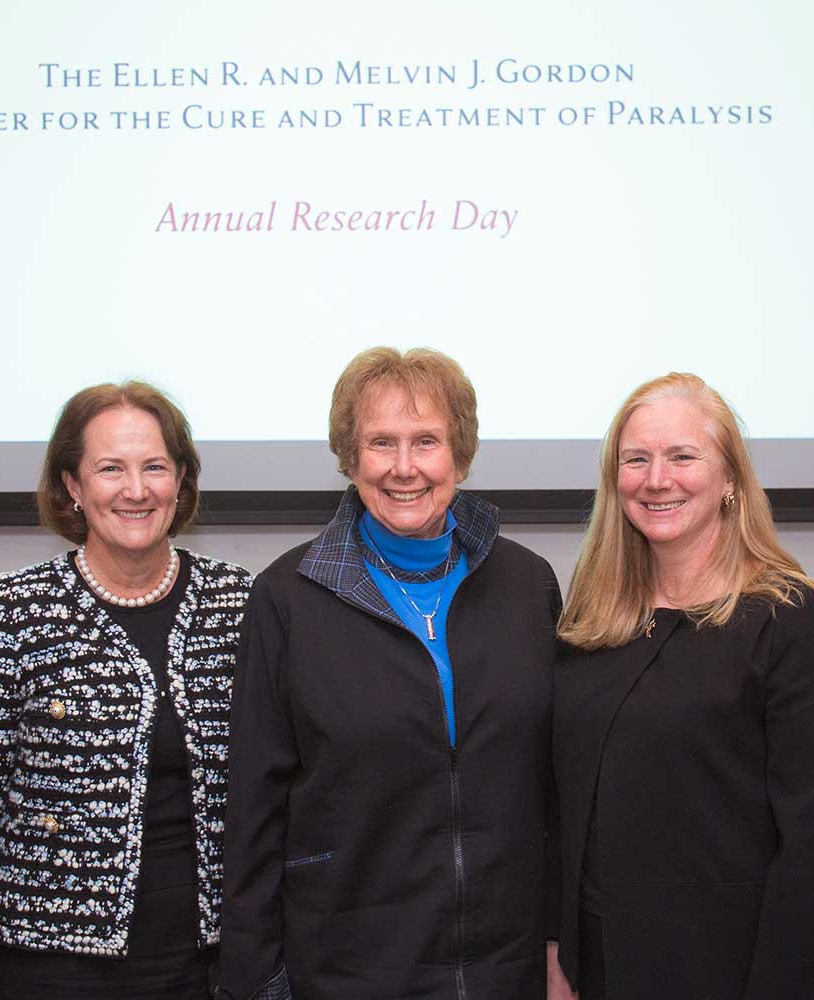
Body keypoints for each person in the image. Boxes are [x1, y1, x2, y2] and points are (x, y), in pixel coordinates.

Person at [217, 347, 565, 1000]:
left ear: (460, 456)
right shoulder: (288, 597)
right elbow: (254, 814)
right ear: (350, 458)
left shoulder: (527, 585)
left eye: (426, 441)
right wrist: (255, 981)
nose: (404, 468)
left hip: (506, 968)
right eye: (380, 442)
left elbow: (555, 789)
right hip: (349, 968)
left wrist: (559, 945)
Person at [0, 382, 253, 1000]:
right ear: (72, 486)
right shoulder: (12, 612)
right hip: (58, 968)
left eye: (155, 467)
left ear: (180, 480)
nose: (136, 490)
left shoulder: (237, 602)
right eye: (110, 469)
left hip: (211, 962)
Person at [553, 373, 814, 999]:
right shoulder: (591, 621)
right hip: (599, 967)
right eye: (636, 459)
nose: (657, 479)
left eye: (683, 456)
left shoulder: (790, 620)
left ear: (732, 480)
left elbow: (811, 850)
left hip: (727, 971)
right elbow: (563, 807)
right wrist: (560, 957)